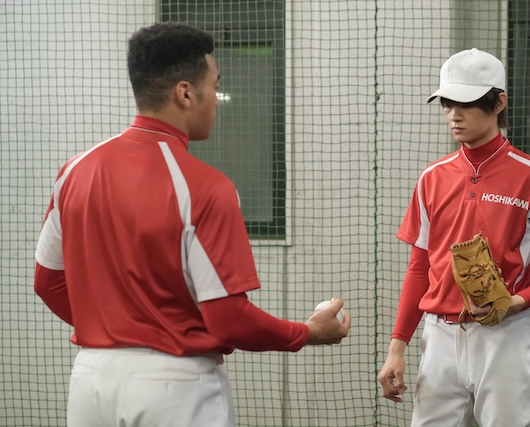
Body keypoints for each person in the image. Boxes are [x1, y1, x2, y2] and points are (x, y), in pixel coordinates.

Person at [34, 22, 350, 427]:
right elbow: (229, 319)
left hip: (90, 381)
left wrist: (118, 328)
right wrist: (306, 332)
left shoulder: (73, 171)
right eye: (214, 86)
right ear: (185, 93)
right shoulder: (206, 187)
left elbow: (48, 282)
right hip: (175, 387)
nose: (217, 100)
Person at [377, 48, 530, 427]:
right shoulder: (431, 177)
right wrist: (397, 346)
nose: (454, 115)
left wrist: (516, 301)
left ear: (499, 102)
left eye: (467, 103)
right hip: (437, 337)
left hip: (503, 337)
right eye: (447, 103)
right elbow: (420, 267)